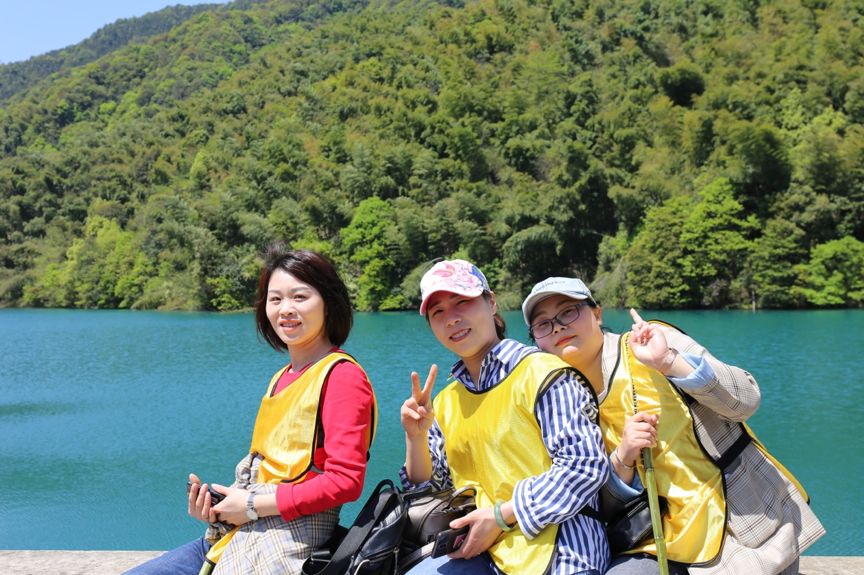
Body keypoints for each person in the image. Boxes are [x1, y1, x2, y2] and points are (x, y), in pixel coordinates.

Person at [521, 277, 826, 575]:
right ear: (536, 340)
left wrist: (668, 361)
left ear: (597, 314)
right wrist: (624, 457)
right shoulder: (557, 401)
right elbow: (594, 501)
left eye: (568, 311)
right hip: (660, 540)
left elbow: (746, 400)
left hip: (745, 527)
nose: (558, 326)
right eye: (543, 323)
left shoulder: (650, 341)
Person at [124, 247, 377, 575]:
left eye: (300, 297)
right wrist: (222, 508)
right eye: (275, 300)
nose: (286, 309)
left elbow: (345, 482)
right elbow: (271, 470)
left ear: (329, 303)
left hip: (289, 538)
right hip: (241, 529)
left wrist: (251, 506)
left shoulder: (342, 376)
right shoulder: (281, 378)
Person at [400, 260, 609, 575]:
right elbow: (433, 490)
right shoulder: (444, 402)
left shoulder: (543, 374)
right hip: (482, 552)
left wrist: (500, 517)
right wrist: (415, 437)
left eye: (462, 302)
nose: (451, 319)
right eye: (438, 312)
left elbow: (585, 467)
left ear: (491, 302)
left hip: (562, 548)